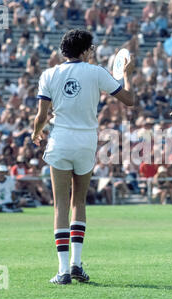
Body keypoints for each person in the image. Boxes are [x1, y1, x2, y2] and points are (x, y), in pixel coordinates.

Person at [31, 29, 135, 285]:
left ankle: (63, 270)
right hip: (86, 142)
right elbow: (129, 100)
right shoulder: (97, 72)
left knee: (60, 206)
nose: (94, 51)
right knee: (79, 203)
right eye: (92, 48)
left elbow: (41, 116)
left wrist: (36, 133)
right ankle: (76, 265)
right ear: (86, 50)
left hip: (60, 140)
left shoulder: (49, 74)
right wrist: (128, 76)